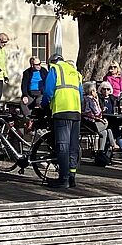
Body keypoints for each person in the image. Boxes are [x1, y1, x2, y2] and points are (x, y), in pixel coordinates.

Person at [41, 50, 83, 188]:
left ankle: (63, 179)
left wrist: (44, 105)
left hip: (62, 110)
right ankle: (72, 177)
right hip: (76, 111)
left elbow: (48, 92)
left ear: (51, 62)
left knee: (62, 146)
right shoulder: (74, 72)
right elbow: (81, 95)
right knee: (73, 146)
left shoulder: (55, 69)